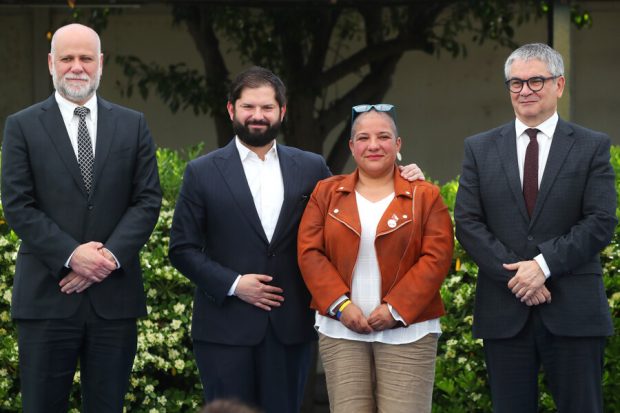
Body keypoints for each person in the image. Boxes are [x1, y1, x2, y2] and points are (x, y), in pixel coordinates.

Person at [168, 67, 425, 413]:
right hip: (223, 329)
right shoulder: (202, 172)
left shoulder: (310, 167)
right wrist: (233, 284)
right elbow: (182, 248)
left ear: (282, 112)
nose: (257, 116)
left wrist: (404, 179)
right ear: (231, 110)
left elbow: (354, 210)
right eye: (248, 107)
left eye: (267, 108)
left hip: (289, 328)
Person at [1, 24, 162, 412]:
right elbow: (18, 205)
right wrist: (74, 256)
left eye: (86, 58)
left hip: (114, 300)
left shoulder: (132, 124)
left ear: (101, 63)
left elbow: (147, 200)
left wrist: (104, 260)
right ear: (51, 63)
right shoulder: (22, 126)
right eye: (68, 58)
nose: (77, 67)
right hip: (47, 297)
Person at [454, 43, 616, 413]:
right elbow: (467, 222)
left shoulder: (592, 146)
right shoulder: (479, 149)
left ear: (559, 85)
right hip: (504, 311)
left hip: (574, 312)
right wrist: (518, 276)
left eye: (536, 81)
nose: (525, 90)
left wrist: (541, 267)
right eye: (516, 83)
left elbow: (600, 222)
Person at [297, 104, 454, 413]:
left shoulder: (425, 195)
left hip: (408, 334)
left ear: (398, 145)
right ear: (351, 146)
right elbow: (309, 252)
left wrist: (396, 308)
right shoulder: (325, 193)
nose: (373, 145)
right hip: (341, 332)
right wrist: (341, 307)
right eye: (363, 137)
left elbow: (436, 257)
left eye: (383, 137)